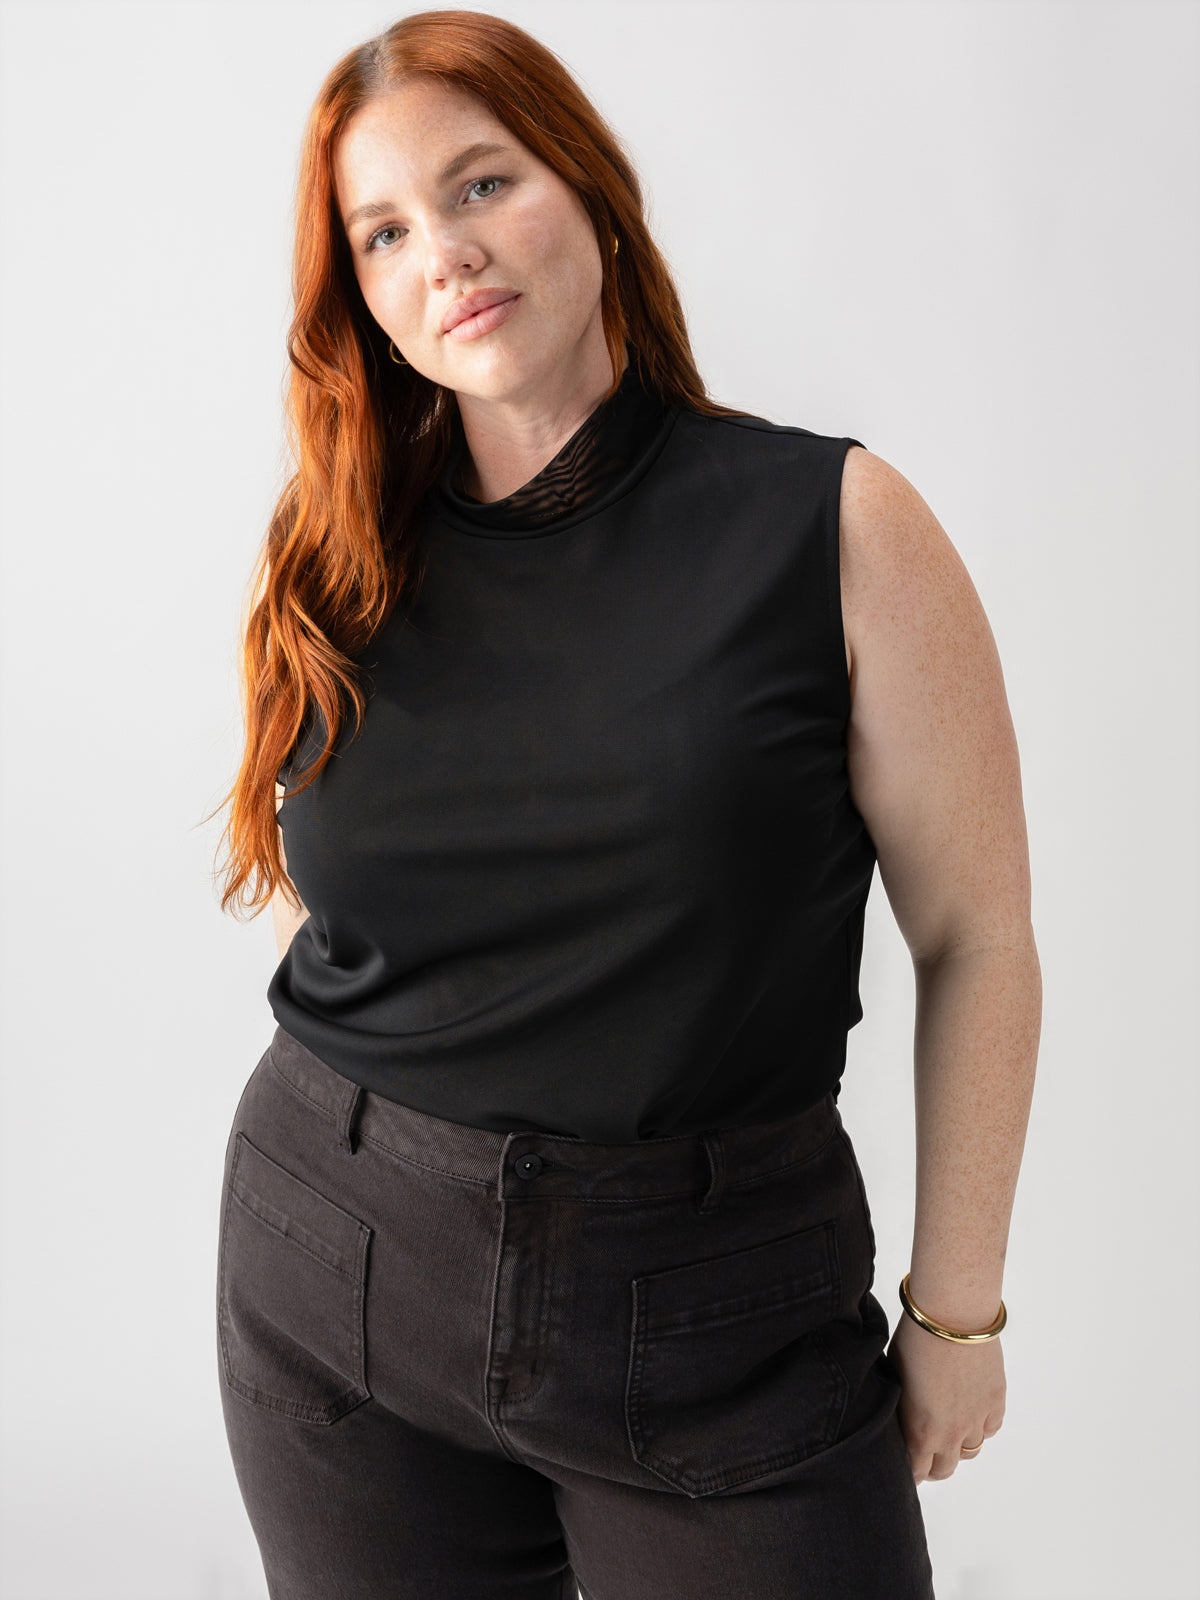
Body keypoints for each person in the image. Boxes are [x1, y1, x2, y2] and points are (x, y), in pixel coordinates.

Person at [211, 10, 1041, 1598]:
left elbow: (981, 935)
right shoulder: (338, 555)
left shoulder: (838, 527)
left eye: (478, 184)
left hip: (724, 1313)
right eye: (383, 233)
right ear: (364, 303)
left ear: (586, 187)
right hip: (338, 1265)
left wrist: (959, 1306)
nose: (442, 253)